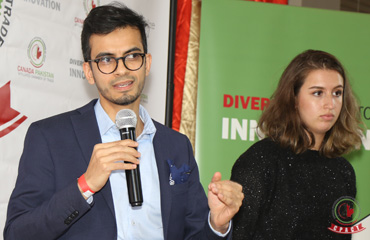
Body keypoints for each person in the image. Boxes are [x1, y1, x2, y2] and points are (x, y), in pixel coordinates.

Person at [4, 3, 243, 240]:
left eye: (131, 56)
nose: (121, 70)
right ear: (89, 72)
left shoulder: (176, 146)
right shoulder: (50, 137)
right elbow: (17, 233)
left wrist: (216, 225)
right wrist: (84, 186)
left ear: (147, 63)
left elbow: (193, 234)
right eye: (106, 60)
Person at [230, 50, 363, 239]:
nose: (330, 104)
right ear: (293, 99)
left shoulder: (344, 171)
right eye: (318, 93)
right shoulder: (260, 161)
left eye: (337, 93)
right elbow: (238, 234)